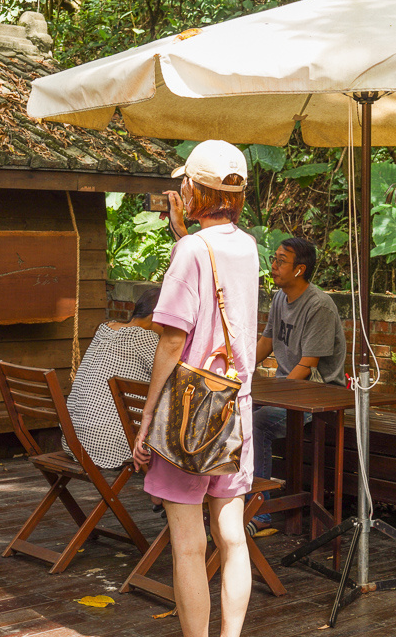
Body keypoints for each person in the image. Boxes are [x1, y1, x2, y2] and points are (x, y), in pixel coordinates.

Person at [133, 139, 258, 637]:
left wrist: (147, 416)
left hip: (191, 413)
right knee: (233, 538)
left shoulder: (191, 251)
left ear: (190, 189)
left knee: (188, 544)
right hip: (236, 407)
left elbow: (172, 340)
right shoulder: (246, 246)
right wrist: (184, 238)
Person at [249, 236, 346, 532]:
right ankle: (226, 497)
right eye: (273, 259)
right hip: (288, 388)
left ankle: (260, 512)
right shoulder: (279, 297)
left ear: (300, 269)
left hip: (320, 394)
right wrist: (238, 371)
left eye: (281, 261)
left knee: (259, 423)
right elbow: (267, 340)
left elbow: (308, 366)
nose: (274, 266)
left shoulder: (319, 306)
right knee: (229, 409)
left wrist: (273, 394)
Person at [63, 286, 161, 468]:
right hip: (108, 447)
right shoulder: (146, 339)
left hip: (74, 441)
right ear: (158, 316)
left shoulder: (104, 329)